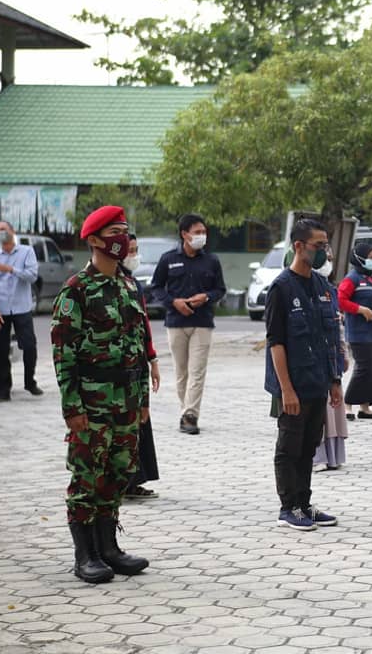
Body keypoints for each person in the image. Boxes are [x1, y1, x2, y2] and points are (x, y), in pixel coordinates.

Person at [52, 205, 150, 583]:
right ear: (94, 240)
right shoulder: (77, 290)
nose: (123, 239)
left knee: (117, 472)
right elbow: (64, 354)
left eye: (125, 231)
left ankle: (109, 548)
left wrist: (142, 401)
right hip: (91, 402)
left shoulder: (127, 285)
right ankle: (85, 555)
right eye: (115, 231)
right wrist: (72, 409)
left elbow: (139, 347)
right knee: (86, 476)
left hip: (126, 400)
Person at [264, 218, 342, 531]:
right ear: (299, 246)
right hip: (291, 384)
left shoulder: (323, 287)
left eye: (325, 245)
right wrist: (286, 390)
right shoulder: (281, 288)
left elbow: (331, 338)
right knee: (289, 447)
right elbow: (276, 343)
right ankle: (288, 507)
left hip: (317, 382)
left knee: (310, 446)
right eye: (318, 246)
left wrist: (335, 381)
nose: (324, 251)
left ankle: (305, 504)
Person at [148, 213, 226, 435]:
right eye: (197, 232)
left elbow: (220, 289)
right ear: (184, 234)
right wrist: (173, 302)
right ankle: (186, 411)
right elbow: (156, 287)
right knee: (181, 372)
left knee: (197, 370)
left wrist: (206, 297)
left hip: (202, 322)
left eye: (204, 232)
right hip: (176, 322)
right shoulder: (168, 259)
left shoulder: (212, 260)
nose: (202, 236)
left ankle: (191, 415)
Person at [122, 235, 162, 500]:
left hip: (137, 367)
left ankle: (135, 481)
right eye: (130, 251)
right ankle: (120, 484)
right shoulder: (103, 284)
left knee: (141, 424)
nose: (134, 256)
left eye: (137, 250)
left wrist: (153, 359)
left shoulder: (134, 284)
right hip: (115, 374)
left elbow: (143, 324)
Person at [0, 220, 42, 402]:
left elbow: (32, 276)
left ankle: (29, 382)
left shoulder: (26, 252)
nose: (0, 233)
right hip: (0, 310)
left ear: (12, 231)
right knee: (1, 351)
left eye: (3, 229)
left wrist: (11, 269)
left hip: (22, 308)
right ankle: (3, 390)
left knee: (29, 346)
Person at [337, 243, 372, 420]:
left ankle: (365, 407)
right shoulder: (351, 279)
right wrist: (360, 309)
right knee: (363, 368)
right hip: (359, 332)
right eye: (369, 257)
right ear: (359, 258)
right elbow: (340, 300)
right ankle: (347, 405)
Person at [314, 256, 350, 469]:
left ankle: (333, 456)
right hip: (312, 358)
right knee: (318, 410)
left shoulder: (331, 290)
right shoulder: (299, 288)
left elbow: (338, 326)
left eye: (329, 258)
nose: (327, 262)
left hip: (331, 356)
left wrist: (342, 352)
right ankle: (317, 456)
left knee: (333, 406)